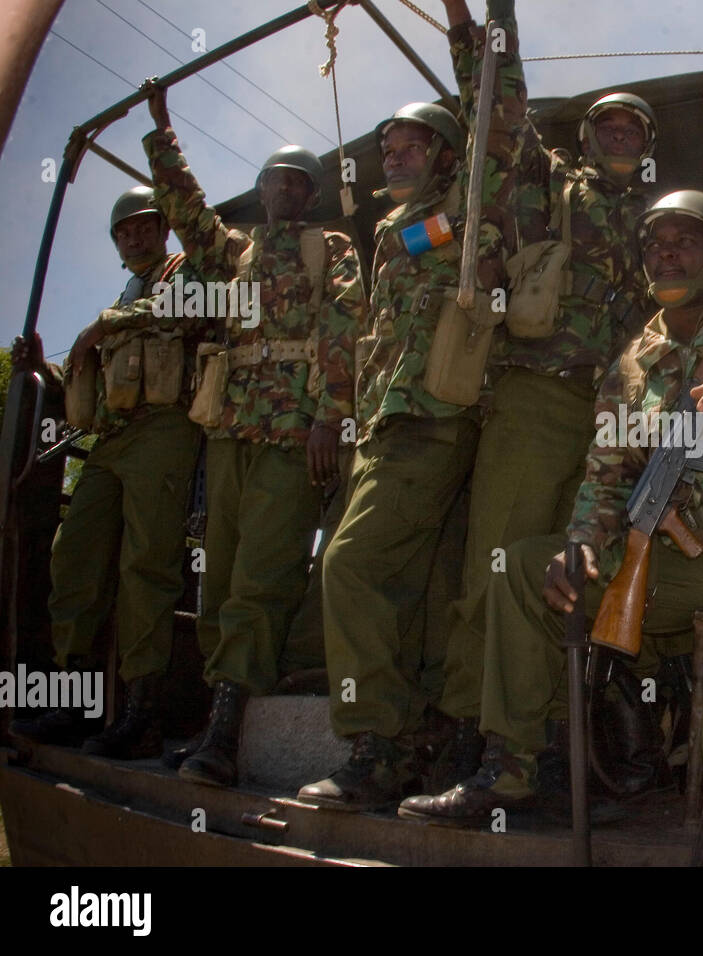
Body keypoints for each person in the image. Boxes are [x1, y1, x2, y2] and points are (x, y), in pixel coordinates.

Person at [401, 190, 703, 867]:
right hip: (668, 560)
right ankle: (510, 765)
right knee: (521, 567)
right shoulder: (631, 365)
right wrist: (581, 547)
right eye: (654, 243)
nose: (665, 251)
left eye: (685, 240)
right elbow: (604, 478)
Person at [294, 0, 526, 812]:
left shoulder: (470, 196)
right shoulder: (391, 236)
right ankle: (429, 739)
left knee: (351, 565)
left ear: (445, 152)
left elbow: (494, 103)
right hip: (390, 425)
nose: (393, 157)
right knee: (423, 593)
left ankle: (376, 745)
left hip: (436, 421)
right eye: (386, 148)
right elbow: (364, 341)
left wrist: (464, 16)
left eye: (410, 146)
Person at [429, 0, 655, 793]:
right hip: (535, 403)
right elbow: (497, 98)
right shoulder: (549, 180)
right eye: (609, 126)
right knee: (496, 570)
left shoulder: (664, 227)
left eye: (634, 130)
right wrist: (483, 16)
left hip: (619, 425)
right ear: (587, 138)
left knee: (572, 578)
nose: (620, 136)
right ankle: (475, 740)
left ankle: (555, 744)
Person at [142, 84, 367, 787]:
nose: (287, 190)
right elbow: (185, 212)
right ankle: (218, 714)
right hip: (231, 427)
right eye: (277, 179)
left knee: (262, 577)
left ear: (312, 195)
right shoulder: (231, 253)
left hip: (290, 432)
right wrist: (161, 131)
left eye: (301, 183)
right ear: (262, 187)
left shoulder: (327, 245)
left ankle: (227, 736)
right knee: (220, 575)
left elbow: (345, 322)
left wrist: (330, 414)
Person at [11, 187, 211, 758]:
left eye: (145, 226)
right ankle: (74, 702)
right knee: (73, 555)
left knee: (145, 565)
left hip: (165, 428)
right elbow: (102, 380)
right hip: (113, 436)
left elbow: (185, 309)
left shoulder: (186, 272)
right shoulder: (125, 293)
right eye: (124, 231)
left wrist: (100, 324)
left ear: (164, 230)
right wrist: (48, 369)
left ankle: (142, 713)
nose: (135, 236)